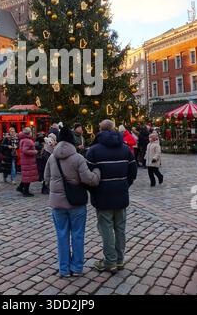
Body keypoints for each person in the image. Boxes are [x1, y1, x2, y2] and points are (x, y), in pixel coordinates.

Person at [44, 126, 100, 278]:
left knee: (61, 236)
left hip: (57, 204)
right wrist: (97, 173)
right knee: (78, 235)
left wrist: (56, 192)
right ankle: (76, 268)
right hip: (76, 203)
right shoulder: (78, 158)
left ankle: (63, 269)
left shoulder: (52, 157)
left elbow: (47, 180)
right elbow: (89, 179)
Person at [86, 119, 137, 274]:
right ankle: (119, 260)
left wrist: (95, 190)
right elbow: (132, 172)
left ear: (100, 130)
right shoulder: (125, 149)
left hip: (102, 196)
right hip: (121, 194)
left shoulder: (93, 150)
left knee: (106, 229)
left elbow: (89, 176)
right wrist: (123, 185)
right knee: (120, 228)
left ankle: (110, 261)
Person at [17, 127, 38, 197]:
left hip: (26, 160)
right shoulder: (27, 141)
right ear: (29, 133)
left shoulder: (23, 139)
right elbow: (25, 150)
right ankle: (26, 191)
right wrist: (34, 151)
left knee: (26, 176)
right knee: (28, 176)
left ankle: (21, 187)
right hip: (28, 160)